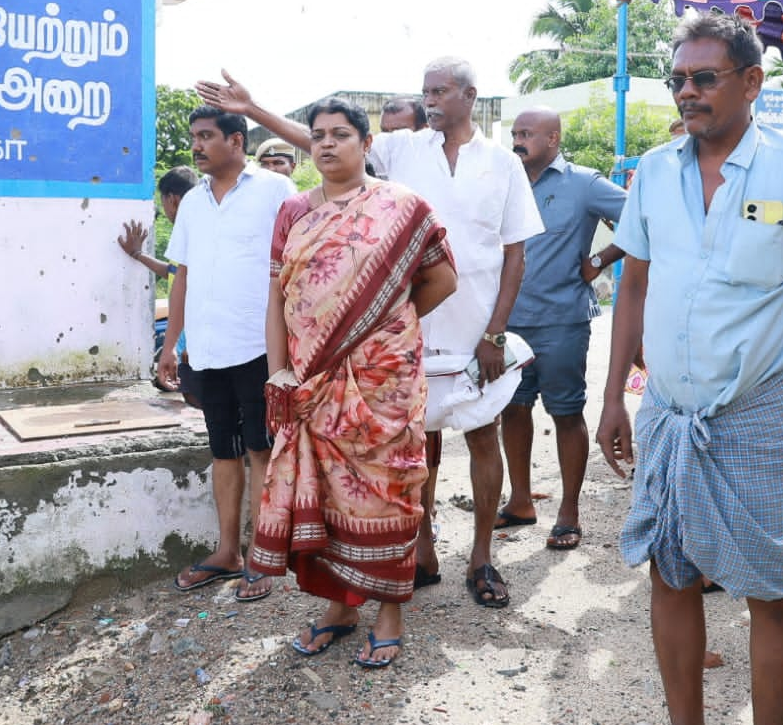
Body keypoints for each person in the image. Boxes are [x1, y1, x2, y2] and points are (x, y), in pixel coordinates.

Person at [595, 12, 783, 725]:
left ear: (750, 82)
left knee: (772, 588)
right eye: (677, 79)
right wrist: (614, 394)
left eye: (703, 78)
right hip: (667, 414)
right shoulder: (652, 170)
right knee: (671, 572)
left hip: (757, 415)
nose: (687, 92)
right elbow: (632, 287)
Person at [196, 60, 543, 609]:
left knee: (482, 435)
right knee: (410, 452)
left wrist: (496, 333)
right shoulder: (405, 149)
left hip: (473, 323)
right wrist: (253, 109)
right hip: (398, 339)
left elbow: (515, 251)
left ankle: (481, 557)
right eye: (425, 90)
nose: (429, 100)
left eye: (440, 91)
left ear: (470, 96)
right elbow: (325, 146)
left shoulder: (502, 163)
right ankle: (420, 552)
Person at [252, 99, 457, 669]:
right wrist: (279, 372)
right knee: (327, 491)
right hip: (310, 379)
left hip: (383, 379)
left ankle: (390, 611)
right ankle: (341, 607)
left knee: (388, 491)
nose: (326, 144)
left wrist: (383, 325)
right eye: (317, 135)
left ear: (367, 145)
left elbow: (443, 278)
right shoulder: (293, 211)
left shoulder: (403, 207)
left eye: (341, 134)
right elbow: (278, 297)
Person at [158, 105, 296, 601]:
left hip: (260, 345)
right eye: (194, 136)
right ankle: (226, 553)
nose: (196, 146)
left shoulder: (275, 190)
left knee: (261, 447)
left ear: (236, 141)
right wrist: (172, 345)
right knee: (223, 451)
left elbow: (295, 265)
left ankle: (262, 553)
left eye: (207, 136)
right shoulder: (193, 202)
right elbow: (182, 276)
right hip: (207, 348)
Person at [497, 107, 627, 551]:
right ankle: (519, 501)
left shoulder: (584, 183)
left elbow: (642, 217)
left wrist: (599, 261)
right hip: (507, 322)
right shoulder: (503, 180)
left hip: (562, 322)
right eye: (514, 132)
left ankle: (568, 512)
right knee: (511, 409)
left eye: (527, 133)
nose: (518, 140)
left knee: (566, 413)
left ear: (553, 139)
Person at [120, 166, 202, 400]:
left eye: (162, 202)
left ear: (172, 199)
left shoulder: (191, 230)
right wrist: (138, 254)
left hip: (193, 328)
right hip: (189, 328)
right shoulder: (197, 226)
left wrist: (177, 346)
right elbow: (174, 273)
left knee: (196, 398)